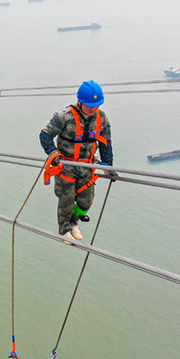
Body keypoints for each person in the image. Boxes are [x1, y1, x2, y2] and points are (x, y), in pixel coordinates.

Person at [39, 81, 115, 242]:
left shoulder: (102, 118)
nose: (94, 109)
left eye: (97, 106)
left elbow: (105, 142)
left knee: (86, 202)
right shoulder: (64, 116)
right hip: (66, 165)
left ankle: (74, 223)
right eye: (90, 106)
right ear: (80, 102)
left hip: (87, 166)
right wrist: (53, 153)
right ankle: (64, 229)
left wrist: (109, 166)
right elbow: (45, 135)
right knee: (66, 199)